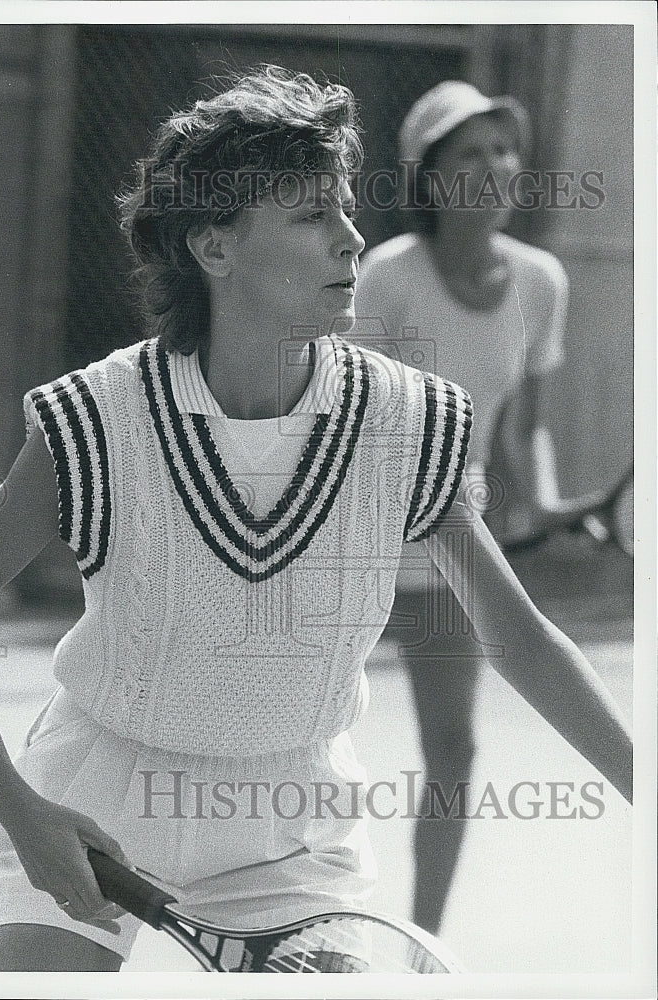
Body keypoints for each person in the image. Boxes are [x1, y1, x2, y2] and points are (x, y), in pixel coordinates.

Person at [0, 66, 631, 974]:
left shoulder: (408, 422)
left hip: (295, 823)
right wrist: (20, 809)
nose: (352, 239)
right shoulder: (97, 419)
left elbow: (520, 640)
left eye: (346, 210)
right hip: (98, 795)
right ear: (214, 247)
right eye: (312, 215)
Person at [353, 80, 591, 935]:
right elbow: (337, 414)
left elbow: (521, 432)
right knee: (291, 737)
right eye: (468, 152)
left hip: (454, 543)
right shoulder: (385, 277)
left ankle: (421, 949)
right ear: (428, 175)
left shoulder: (542, 282)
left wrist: (555, 505)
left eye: (502, 148)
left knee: (452, 748)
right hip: (347, 536)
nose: (492, 166)